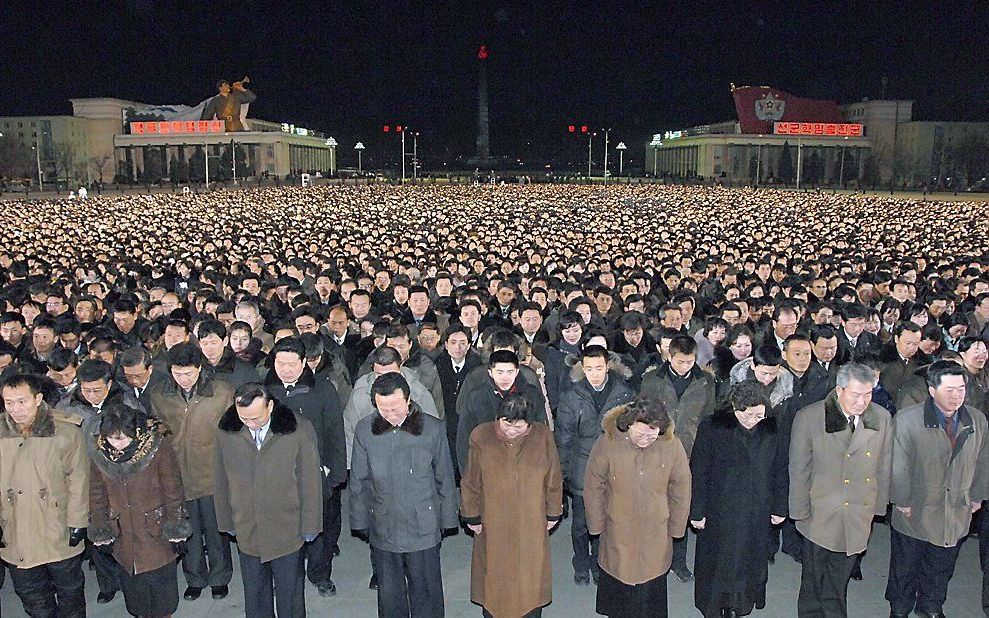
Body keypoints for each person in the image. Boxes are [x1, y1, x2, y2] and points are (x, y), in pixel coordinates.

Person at [349, 372, 459, 617]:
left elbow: (445, 477)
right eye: (383, 409)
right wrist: (359, 522)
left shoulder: (432, 428)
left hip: (424, 521)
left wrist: (448, 519)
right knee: (389, 594)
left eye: (395, 408)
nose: (390, 415)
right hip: (383, 521)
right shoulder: (366, 430)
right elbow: (359, 480)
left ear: (408, 400)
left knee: (426, 590)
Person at [789, 362, 893, 617]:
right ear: (839, 390)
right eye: (856, 394)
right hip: (820, 511)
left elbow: (884, 465)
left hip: (858, 512)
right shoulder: (811, 417)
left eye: (868, 394)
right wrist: (799, 511)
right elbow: (799, 469)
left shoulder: (881, 418)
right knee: (814, 580)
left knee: (839, 581)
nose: (862, 401)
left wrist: (877, 508)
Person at [887, 361, 989, 618]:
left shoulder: (976, 419)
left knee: (942, 564)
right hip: (917, 507)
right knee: (906, 566)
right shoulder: (908, 420)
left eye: (961, 389)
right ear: (932, 390)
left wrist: (977, 495)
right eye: (949, 390)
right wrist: (902, 499)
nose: (957, 396)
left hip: (956, 507)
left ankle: (931, 605)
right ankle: (899, 608)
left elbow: (983, 459)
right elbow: (897, 464)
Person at [214, 383, 323, 618]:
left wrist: (311, 525)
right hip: (247, 527)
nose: (250, 424)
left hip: (287, 528)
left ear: (270, 406)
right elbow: (221, 479)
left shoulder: (297, 430)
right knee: (254, 595)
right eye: (244, 418)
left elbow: (310, 481)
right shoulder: (227, 432)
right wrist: (226, 521)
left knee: (290, 595)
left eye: (255, 418)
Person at [583, 397, 691, 617]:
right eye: (640, 434)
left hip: (656, 530)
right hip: (617, 527)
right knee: (619, 584)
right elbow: (594, 486)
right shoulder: (608, 443)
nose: (646, 439)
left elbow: (681, 488)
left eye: (652, 435)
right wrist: (596, 525)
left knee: (651, 589)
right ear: (629, 424)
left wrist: (677, 528)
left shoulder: (672, 445)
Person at [690, 381, 788, 618]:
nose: (753, 420)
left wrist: (780, 506)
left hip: (757, 507)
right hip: (719, 509)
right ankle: (716, 606)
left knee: (748, 559)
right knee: (719, 561)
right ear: (734, 406)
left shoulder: (771, 427)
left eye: (759, 414)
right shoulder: (712, 427)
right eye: (747, 414)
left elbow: (780, 469)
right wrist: (697, 510)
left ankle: (740, 605)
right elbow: (699, 470)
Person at [460, 395, 563, 617]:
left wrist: (554, 511)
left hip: (531, 519)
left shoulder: (543, 435)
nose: (512, 431)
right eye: (507, 424)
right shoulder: (481, 436)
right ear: (498, 418)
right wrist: (472, 516)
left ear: (530, 423)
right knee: (495, 575)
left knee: (530, 575)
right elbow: (470, 480)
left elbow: (554, 478)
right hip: (493, 519)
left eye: (519, 426)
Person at [147, 342, 235, 601]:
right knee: (188, 532)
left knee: (216, 530)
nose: (183, 379)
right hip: (177, 476)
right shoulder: (159, 395)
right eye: (177, 372)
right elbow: (157, 434)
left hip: (212, 474)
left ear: (200, 368)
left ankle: (220, 577)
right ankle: (194, 577)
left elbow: (232, 434)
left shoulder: (221, 392)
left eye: (188, 373)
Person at [88, 402, 191, 618]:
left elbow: (173, 489)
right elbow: (97, 494)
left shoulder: (158, 448)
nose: (117, 444)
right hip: (123, 535)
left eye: (123, 438)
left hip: (155, 532)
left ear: (137, 433)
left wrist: (177, 527)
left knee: (163, 601)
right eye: (112, 438)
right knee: (136, 601)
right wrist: (100, 529)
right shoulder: (100, 453)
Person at [0, 373, 89, 617]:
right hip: (15, 528)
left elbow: (79, 479)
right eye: (8, 402)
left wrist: (78, 522)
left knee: (70, 592)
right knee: (33, 595)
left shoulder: (65, 432)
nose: (15, 409)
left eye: (22, 401)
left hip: (56, 526)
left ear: (38, 398)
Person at [639, 334, 716, 583]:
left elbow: (709, 418)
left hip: (692, 452)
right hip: (657, 450)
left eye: (690, 361)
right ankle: (652, 557)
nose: (685, 366)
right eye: (680, 361)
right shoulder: (652, 380)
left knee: (682, 507)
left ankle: (679, 561)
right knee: (654, 507)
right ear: (669, 357)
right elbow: (642, 415)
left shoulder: (705, 382)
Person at [555, 344, 635, 586]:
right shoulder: (571, 396)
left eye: (599, 368)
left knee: (608, 519)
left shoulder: (625, 393)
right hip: (582, 467)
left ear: (607, 366)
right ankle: (581, 562)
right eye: (589, 369)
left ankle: (600, 562)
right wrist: (564, 473)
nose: (595, 373)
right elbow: (564, 438)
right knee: (581, 523)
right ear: (583, 368)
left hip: (614, 467)